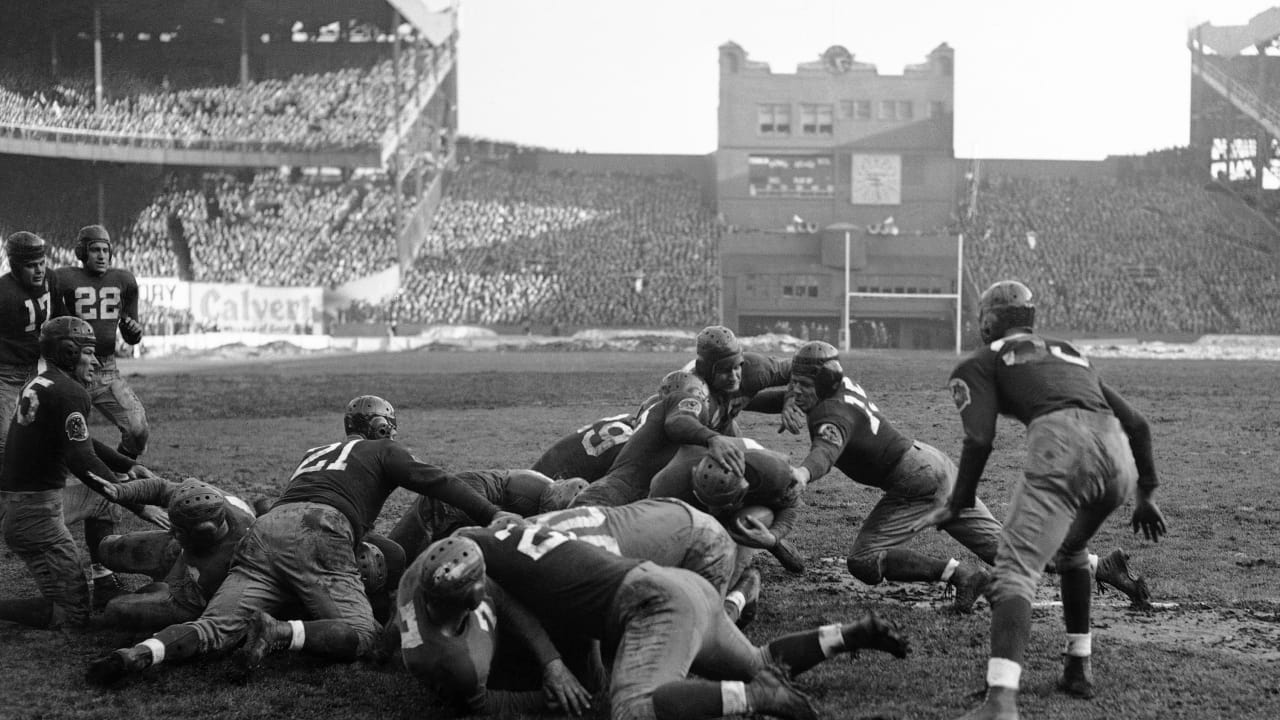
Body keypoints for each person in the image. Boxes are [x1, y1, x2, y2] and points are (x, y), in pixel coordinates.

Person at [86, 395, 520, 685]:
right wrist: (491, 511)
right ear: (383, 426)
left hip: (268, 528)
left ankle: (138, 653)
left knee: (215, 629)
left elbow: (314, 501)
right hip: (320, 529)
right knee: (363, 634)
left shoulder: (315, 454)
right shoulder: (384, 451)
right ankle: (280, 631)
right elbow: (438, 482)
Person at [914, 280, 1167, 720]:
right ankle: (1077, 667)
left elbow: (978, 438)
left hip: (1062, 446)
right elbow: (1139, 423)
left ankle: (1000, 703)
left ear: (989, 321)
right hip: (1119, 459)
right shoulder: (1068, 350)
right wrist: (1145, 493)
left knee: (1014, 569)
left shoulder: (980, 360)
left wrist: (960, 501)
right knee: (1071, 550)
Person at [455, 522, 910, 720]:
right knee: (760, 657)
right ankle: (848, 635)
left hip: (651, 601)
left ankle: (755, 697)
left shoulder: (476, 555)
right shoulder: (522, 534)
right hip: (683, 585)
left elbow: (498, 593)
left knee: (635, 709)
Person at [778, 340, 1001, 613]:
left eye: (803, 385)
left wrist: (803, 472)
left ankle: (962, 574)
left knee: (864, 560)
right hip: (930, 462)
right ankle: (1065, 553)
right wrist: (771, 399)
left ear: (825, 381)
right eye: (793, 383)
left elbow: (825, 452)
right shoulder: (837, 385)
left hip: (916, 481)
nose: (796, 391)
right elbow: (788, 395)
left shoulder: (831, 413)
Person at [0, 317, 163, 630]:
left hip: (28, 502)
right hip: (34, 516)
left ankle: (103, 581)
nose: (96, 360)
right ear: (68, 351)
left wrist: (127, 465)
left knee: (103, 501)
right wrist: (139, 504)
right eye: (88, 352)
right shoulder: (69, 393)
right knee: (72, 615)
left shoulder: (43, 382)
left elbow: (80, 438)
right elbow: (83, 461)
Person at [55, 225, 149, 605]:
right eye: (94, 249)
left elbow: (133, 336)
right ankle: (89, 480)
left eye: (106, 249)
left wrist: (134, 330)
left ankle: (122, 470)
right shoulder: (62, 279)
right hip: (67, 368)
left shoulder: (123, 280)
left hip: (106, 367)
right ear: (81, 252)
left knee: (138, 428)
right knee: (69, 438)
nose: (102, 255)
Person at [532, 497, 756, 621]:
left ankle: (742, 592)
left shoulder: (573, 565)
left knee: (701, 637)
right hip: (660, 510)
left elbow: (590, 626)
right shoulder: (513, 532)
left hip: (705, 540)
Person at [94, 478, 258, 630]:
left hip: (193, 599)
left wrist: (161, 591)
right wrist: (120, 490)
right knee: (107, 548)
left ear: (203, 533)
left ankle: (158, 590)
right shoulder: (201, 501)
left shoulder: (233, 559)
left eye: (178, 530)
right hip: (191, 553)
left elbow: (211, 608)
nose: (171, 531)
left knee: (115, 611)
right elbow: (160, 488)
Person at [570, 371, 744, 508]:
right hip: (611, 499)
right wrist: (713, 438)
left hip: (612, 496)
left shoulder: (652, 413)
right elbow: (679, 423)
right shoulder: (682, 402)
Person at [647, 446, 809, 586]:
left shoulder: (773, 474)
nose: (713, 509)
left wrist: (773, 537)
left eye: (719, 503)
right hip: (691, 503)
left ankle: (759, 543)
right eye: (707, 500)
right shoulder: (667, 485)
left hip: (753, 495)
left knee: (740, 531)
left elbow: (790, 507)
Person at [386, 468, 587, 560]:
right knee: (397, 562)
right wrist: (493, 515)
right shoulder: (527, 490)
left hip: (462, 511)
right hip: (444, 506)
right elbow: (469, 482)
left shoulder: (539, 492)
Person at [0, 232, 65, 466]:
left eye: (41, 263)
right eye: (30, 266)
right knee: (4, 443)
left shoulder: (51, 279)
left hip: (36, 371)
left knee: (44, 435)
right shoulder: (4, 293)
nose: (38, 270)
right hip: (5, 376)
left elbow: (61, 318)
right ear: (15, 267)